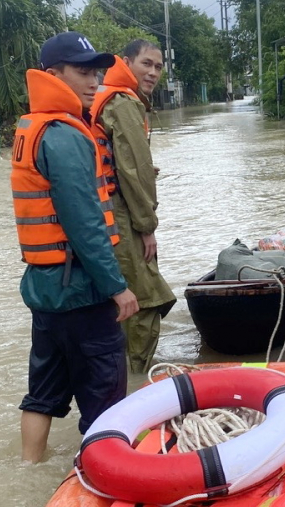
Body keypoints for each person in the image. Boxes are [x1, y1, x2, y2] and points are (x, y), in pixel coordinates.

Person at [10, 31, 139, 463]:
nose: (94, 81)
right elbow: (84, 225)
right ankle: (102, 481)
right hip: (81, 290)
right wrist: (118, 287)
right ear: (53, 74)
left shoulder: (32, 127)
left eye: (97, 72)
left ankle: (28, 470)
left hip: (45, 288)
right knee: (105, 396)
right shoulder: (65, 136)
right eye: (83, 71)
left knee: (42, 392)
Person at [89, 40, 176, 374]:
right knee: (145, 299)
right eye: (146, 64)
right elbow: (133, 169)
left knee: (120, 296)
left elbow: (114, 158)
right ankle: (137, 378)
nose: (153, 72)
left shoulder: (103, 96)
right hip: (121, 217)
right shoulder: (124, 102)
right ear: (126, 62)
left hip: (102, 214)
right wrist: (147, 227)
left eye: (158, 66)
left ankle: (120, 372)